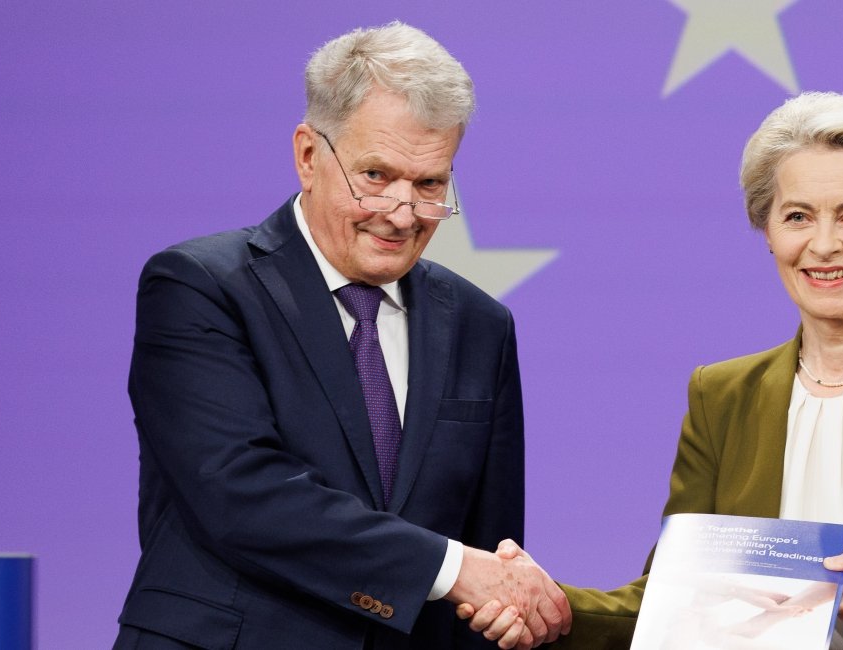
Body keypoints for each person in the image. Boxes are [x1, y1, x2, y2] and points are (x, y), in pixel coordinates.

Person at [462, 92, 843, 649]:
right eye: (798, 216)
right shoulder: (720, 395)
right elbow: (673, 599)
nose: (824, 244)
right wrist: (553, 605)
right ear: (768, 232)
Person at [113, 22, 570, 649]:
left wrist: (508, 607)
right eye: (376, 175)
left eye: (431, 183)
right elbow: (240, 493)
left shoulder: (480, 324)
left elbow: (487, 551)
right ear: (308, 155)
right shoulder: (200, 287)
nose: (402, 213)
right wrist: (452, 568)